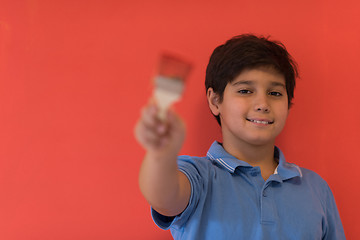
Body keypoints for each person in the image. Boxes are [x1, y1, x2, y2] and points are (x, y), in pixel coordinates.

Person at [134, 34, 345, 239]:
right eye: (245, 91)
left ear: (289, 104)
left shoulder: (316, 188)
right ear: (215, 101)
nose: (262, 104)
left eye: (275, 93)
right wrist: (161, 154)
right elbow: (164, 197)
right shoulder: (198, 176)